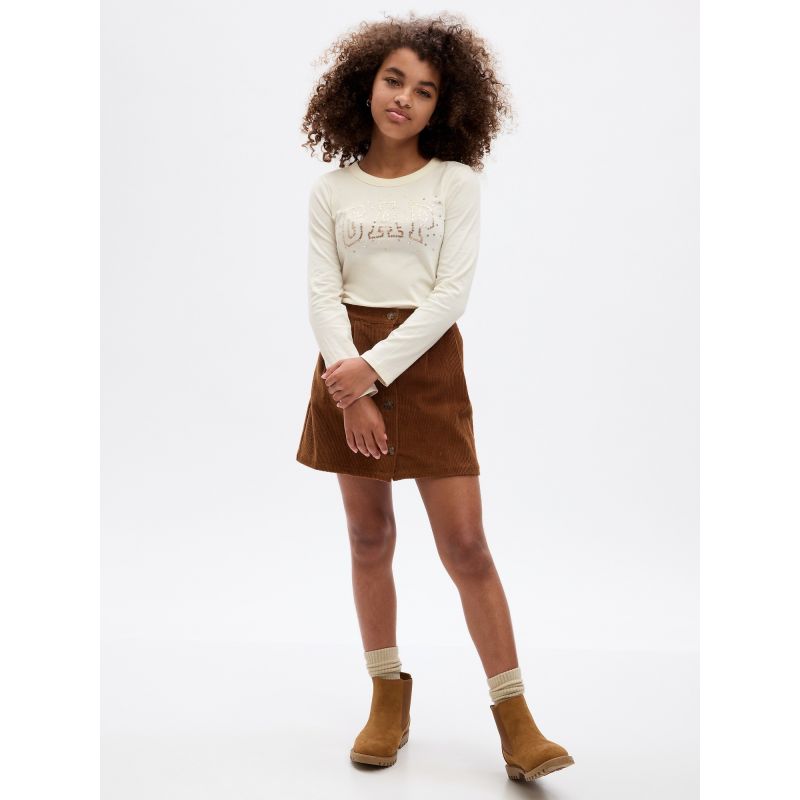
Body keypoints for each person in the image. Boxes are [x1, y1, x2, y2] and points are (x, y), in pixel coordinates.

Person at [295, 12, 574, 783]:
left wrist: (375, 373)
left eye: (424, 90)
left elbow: (451, 294)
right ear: (366, 83)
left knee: (467, 547)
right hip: (343, 370)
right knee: (369, 539)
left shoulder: (455, 182)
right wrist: (350, 384)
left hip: (424, 366)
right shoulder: (330, 191)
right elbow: (322, 294)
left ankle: (516, 720)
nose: (405, 99)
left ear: (443, 107)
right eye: (395, 80)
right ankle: (387, 697)